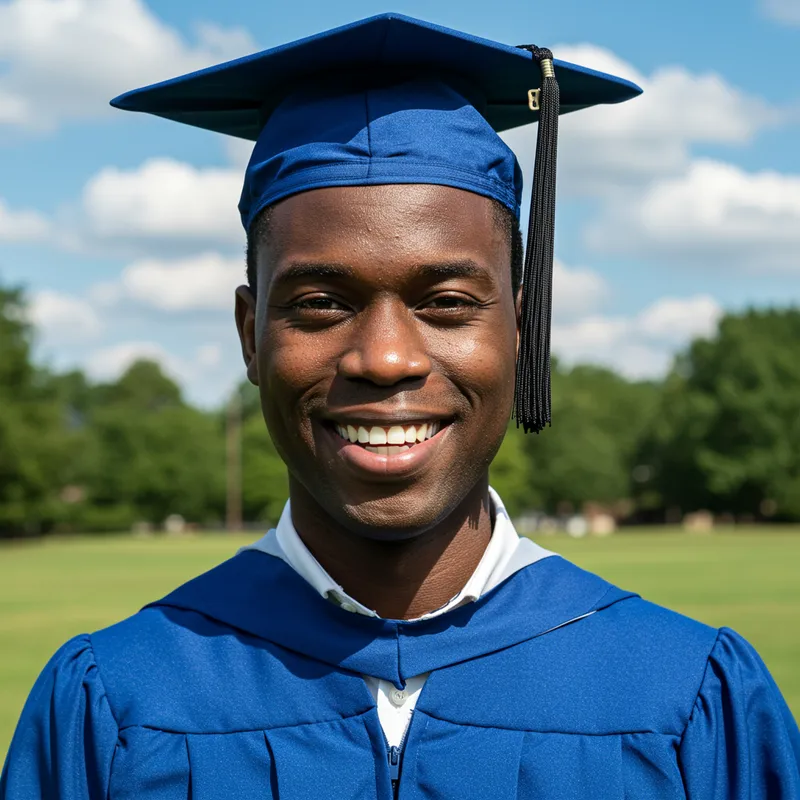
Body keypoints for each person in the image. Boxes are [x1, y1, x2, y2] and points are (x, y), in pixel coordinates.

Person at [2, 13, 799, 800]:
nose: (385, 359)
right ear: (251, 335)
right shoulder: (115, 706)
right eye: (319, 304)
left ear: (522, 329)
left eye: (446, 302)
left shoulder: (687, 701)